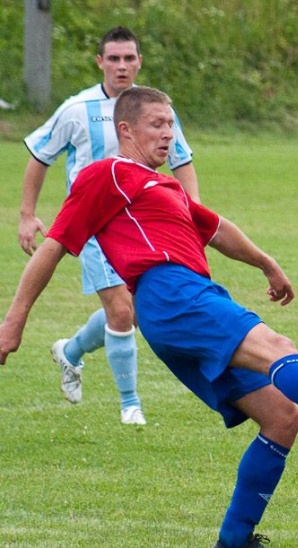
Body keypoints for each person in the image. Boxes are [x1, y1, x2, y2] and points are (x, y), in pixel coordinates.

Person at [0, 86, 298, 548]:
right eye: (156, 125)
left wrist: (267, 263)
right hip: (169, 292)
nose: (168, 134)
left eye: (171, 125)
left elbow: (217, 229)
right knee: (275, 344)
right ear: (125, 130)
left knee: (281, 418)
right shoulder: (108, 174)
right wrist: (13, 321)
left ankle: (234, 542)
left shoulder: (161, 185)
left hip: (177, 302)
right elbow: (55, 244)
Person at [20, 26, 201, 425]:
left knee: (135, 310)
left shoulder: (154, 109)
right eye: (114, 59)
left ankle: (71, 351)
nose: (122, 66)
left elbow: (181, 160)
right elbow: (40, 155)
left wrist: (192, 213)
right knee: (121, 311)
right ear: (100, 62)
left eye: (129, 58)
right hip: (93, 229)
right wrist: (27, 214)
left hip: (145, 226)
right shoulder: (76, 108)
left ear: (139, 62)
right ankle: (130, 406)